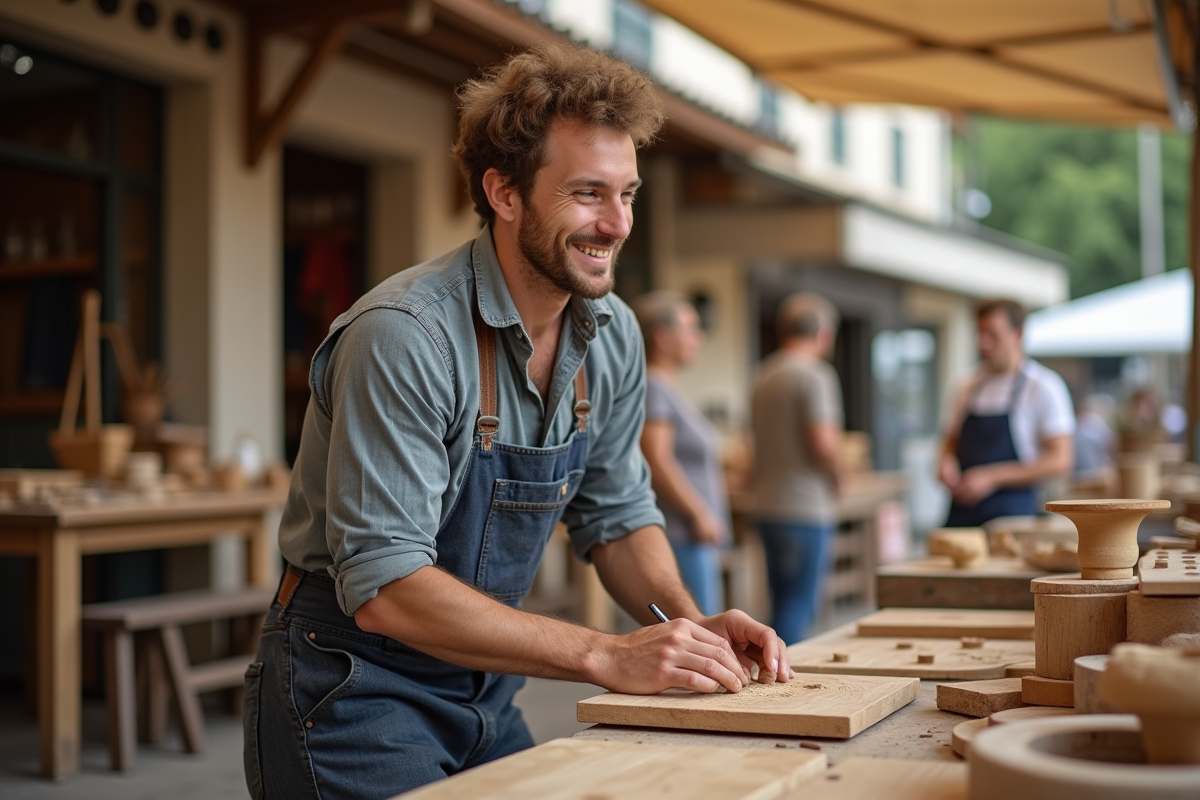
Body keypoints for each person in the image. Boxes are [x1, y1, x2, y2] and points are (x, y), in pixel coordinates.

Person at [245, 45, 790, 800]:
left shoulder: (613, 331)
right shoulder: (405, 335)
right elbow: (386, 587)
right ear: (503, 192)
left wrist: (692, 630)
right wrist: (607, 654)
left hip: (487, 684)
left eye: (628, 193)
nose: (617, 223)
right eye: (588, 193)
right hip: (349, 683)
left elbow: (619, 512)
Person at [750, 293, 845, 645]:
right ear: (823, 333)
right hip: (804, 507)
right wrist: (840, 475)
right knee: (799, 603)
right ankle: (778, 684)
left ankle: (769, 671)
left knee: (780, 601)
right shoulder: (815, 375)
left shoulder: (763, 374)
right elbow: (823, 443)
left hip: (766, 504)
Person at [632, 291, 730, 616]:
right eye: (690, 328)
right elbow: (657, 459)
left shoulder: (666, 388)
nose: (698, 338)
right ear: (662, 337)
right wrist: (699, 513)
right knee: (697, 627)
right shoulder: (656, 388)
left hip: (689, 533)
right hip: (680, 532)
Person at [938, 299, 1074, 527]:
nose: (984, 343)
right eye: (980, 334)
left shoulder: (1043, 386)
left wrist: (991, 477)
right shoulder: (966, 386)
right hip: (962, 515)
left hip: (1014, 516)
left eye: (993, 335)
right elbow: (949, 442)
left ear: (1018, 334)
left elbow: (1060, 461)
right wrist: (945, 463)